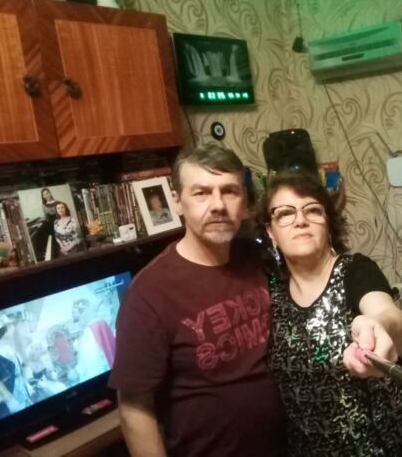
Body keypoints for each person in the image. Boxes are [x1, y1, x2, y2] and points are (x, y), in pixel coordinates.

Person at [109, 143, 285, 457]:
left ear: (244, 202)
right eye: (201, 193)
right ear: (177, 202)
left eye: (229, 191)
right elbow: (134, 406)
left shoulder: (257, 258)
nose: (218, 205)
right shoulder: (149, 293)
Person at [257, 170, 402, 456]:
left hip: (377, 448)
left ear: (328, 224)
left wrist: (379, 328)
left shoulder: (355, 270)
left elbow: (391, 317)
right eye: (285, 213)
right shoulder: (269, 290)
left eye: (313, 210)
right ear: (271, 232)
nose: (300, 220)